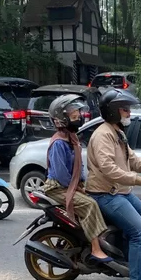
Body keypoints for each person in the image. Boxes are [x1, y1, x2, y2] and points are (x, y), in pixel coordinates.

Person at [86, 88, 141, 280]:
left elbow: (132, 161)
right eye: (125, 109)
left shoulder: (117, 132)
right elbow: (109, 169)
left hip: (121, 191)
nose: (129, 113)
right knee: (140, 232)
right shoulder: (103, 135)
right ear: (113, 111)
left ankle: (135, 264)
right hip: (106, 194)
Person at [41, 94, 112, 263]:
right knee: (90, 204)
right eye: (74, 116)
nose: (78, 118)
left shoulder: (71, 138)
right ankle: (95, 249)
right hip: (57, 187)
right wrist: (77, 187)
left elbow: (78, 168)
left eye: (78, 114)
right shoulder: (59, 143)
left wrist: (82, 184)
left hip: (70, 185)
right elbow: (61, 175)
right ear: (62, 119)